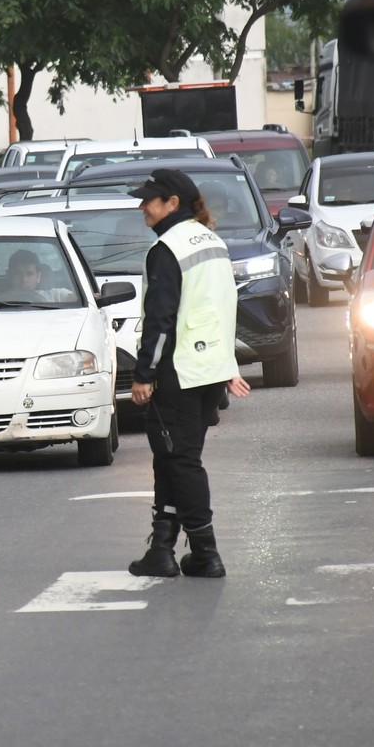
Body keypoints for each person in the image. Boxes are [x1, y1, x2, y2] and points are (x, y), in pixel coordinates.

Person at [124, 168, 251, 579]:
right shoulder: (212, 241)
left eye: (149, 199)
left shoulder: (167, 248)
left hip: (178, 371)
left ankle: (206, 553)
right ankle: (161, 550)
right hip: (208, 369)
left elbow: (160, 319)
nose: (142, 206)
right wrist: (227, 367)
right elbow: (223, 307)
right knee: (171, 458)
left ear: (172, 203)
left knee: (180, 461)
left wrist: (143, 374)